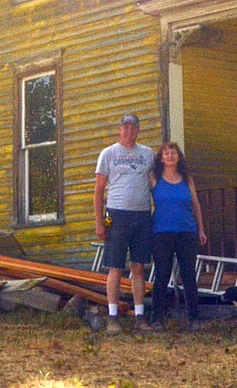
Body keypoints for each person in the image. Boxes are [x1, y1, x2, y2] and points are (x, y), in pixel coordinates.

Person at [94, 113, 155, 335]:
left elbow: (155, 183)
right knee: (115, 267)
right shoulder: (108, 154)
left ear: (138, 130)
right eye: (125, 127)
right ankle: (113, 317)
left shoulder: (147, 153)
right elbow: (99, 189)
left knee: (138, 267)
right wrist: (99, 221)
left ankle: (140, 316)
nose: (129, 131)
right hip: (117, 215)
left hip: (142, 215)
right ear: (119, 129)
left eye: (133, 128)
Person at [148, 141, 207, 330]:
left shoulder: (187, 179)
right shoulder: (154, 178)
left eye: (173, 152)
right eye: (166, 153)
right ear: (161, 158)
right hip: (161, 233)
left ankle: (194, 318)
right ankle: (157, 318)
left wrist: (201, 229)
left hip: (187, 232)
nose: (170, 155)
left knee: (189, 275)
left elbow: (196, 205)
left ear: (178, 156)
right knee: (162, 275)